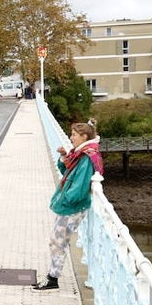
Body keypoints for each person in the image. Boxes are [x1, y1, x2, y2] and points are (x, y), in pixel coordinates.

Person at [34, 120, 103, 291]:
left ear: (84, 137)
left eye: (73, 135)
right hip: (70, 206)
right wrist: (64, 157)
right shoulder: (81, 153)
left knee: (57, 242)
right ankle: (52, 276)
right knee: (57, 241)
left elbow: (79, 187)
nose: (70, 138)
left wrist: (65, 200)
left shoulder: (86, 157)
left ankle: (53, 278)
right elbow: (68, 171)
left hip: (72, 208)